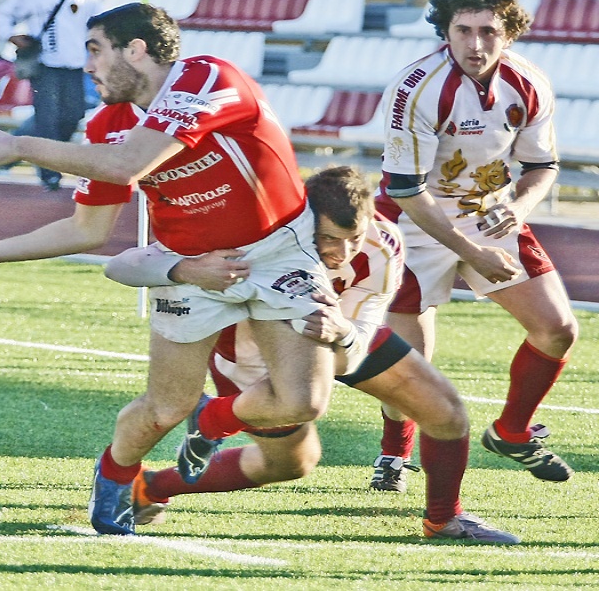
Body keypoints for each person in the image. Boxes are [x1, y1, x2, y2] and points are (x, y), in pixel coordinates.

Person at [0, 3, 338, 536]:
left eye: (95, 50)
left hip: (278, 254)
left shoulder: (207, 77)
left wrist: (19, 145)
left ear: (136, 50)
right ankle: (117, 474)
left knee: (303, 402)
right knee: (165, 408)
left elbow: (128, 164)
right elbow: (86, 231)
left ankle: (212, 421)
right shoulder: (108, 123)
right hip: (188, 269)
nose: (88, 67)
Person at [105, 167, 519, 544]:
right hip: (254, 350)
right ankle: (153, 485)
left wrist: (343, 333)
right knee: (292, 463)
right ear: (305, 221)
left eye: (353, 239)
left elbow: (360, 334)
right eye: (328, 239)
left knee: (444, 409)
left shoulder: (384, 243)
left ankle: (444, 519)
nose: (342, 253)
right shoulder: (261, 235)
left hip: (337, 332)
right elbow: (124, 266)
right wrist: (184, 269)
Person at [374, 0, 579, 483]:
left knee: (557, 330)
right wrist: (473, 250)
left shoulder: (528, 82)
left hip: (489, 212)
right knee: (410, 370)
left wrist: (521, 206)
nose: (476, 42)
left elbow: (542, 167)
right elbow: (405, 189)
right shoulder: (417, 87)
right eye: (464, 30)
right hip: (413, 223)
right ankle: (393, 453)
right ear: (445, 31)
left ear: (508, 33)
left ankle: (512, 431)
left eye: (489, 31)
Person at [0, 0, 103, 191]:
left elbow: (99, 28)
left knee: (73, 115)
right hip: (45, 66)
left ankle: (37, 154)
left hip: (75, 67)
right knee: (47, 118)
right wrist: (11, 36)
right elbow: (5, 14)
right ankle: (49, 174)